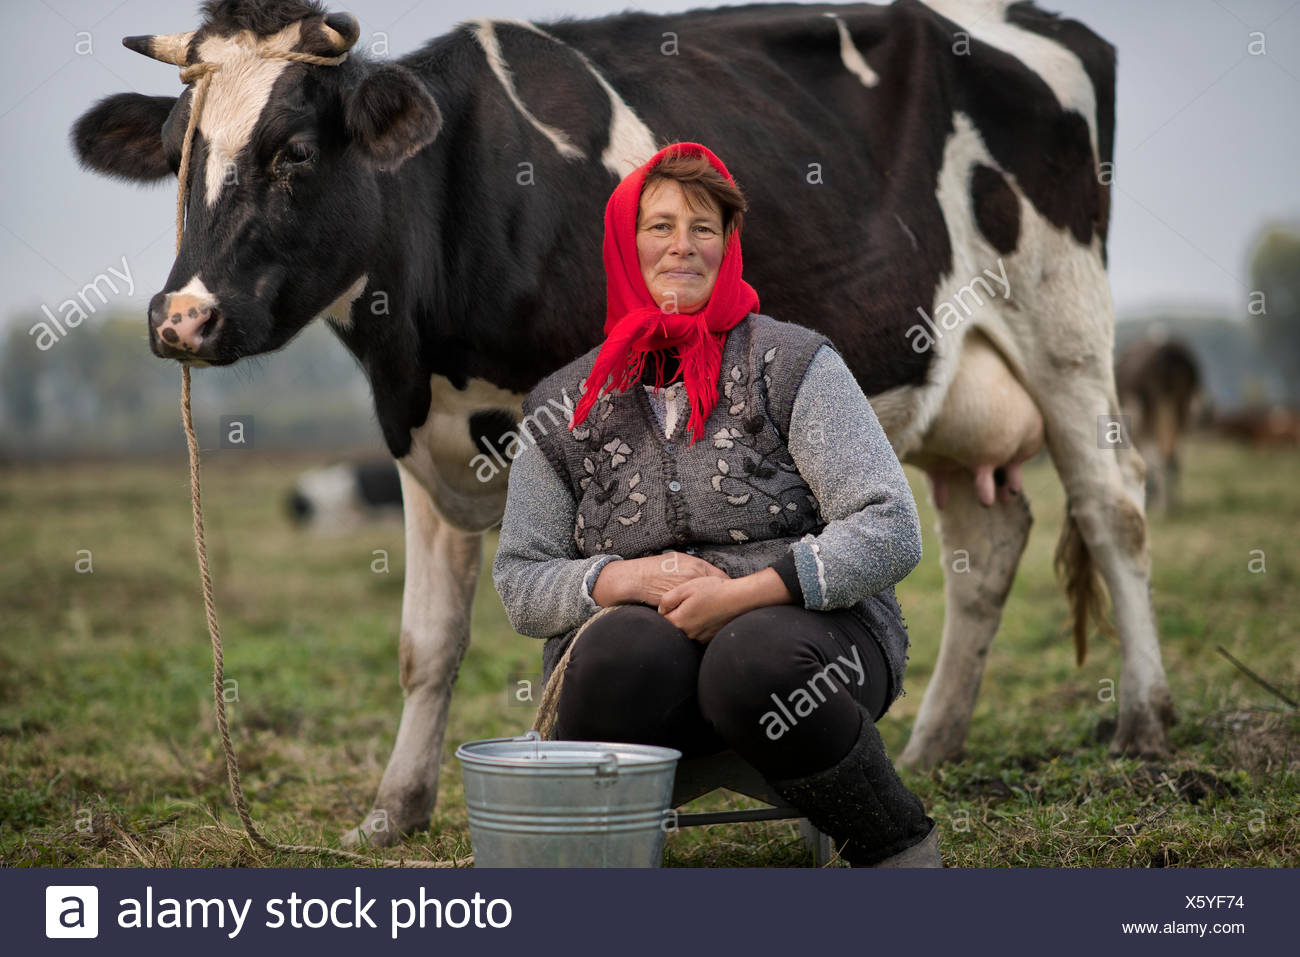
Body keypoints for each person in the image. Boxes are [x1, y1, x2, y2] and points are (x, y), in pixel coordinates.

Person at [492, 142, 941, 867]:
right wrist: (625, 580)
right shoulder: (562, 406)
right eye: (660, 226)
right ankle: (599, 885)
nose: (682, 245)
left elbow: (890, 526)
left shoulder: (794, 362)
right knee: (614, 650)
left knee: (750, 657)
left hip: (808, 654)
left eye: (704, 227)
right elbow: (519, 578)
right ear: (623, 243)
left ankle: (895, 846)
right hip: (647, 673)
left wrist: (743, 596)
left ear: (729, 244)